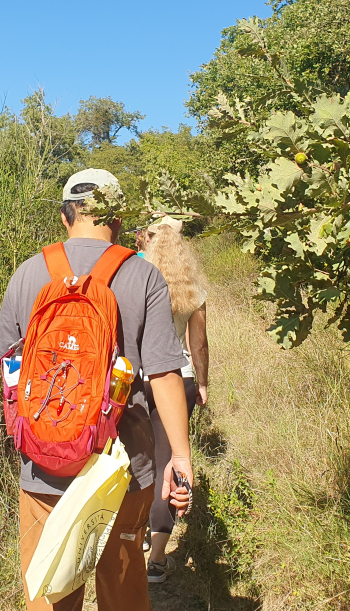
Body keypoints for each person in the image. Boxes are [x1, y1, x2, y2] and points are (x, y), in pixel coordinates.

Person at [0, 168, 194, 611]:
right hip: (121, 469)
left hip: (44, 466)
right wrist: (179, 456)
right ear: (117, 221)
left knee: (51, 592)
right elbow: (163, 373)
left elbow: (3, 360)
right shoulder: (143, 276)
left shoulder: (29, 273)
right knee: (123, 596)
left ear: (65, 217)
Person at [140, 215, 209, 584]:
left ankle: (130, 540)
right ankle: (158, 557)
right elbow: (197, 344)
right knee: (169, 460)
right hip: (178, 378)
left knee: (138, 462)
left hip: (138, 380)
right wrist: (203, 381)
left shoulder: (135, 279)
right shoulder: (192, 288)